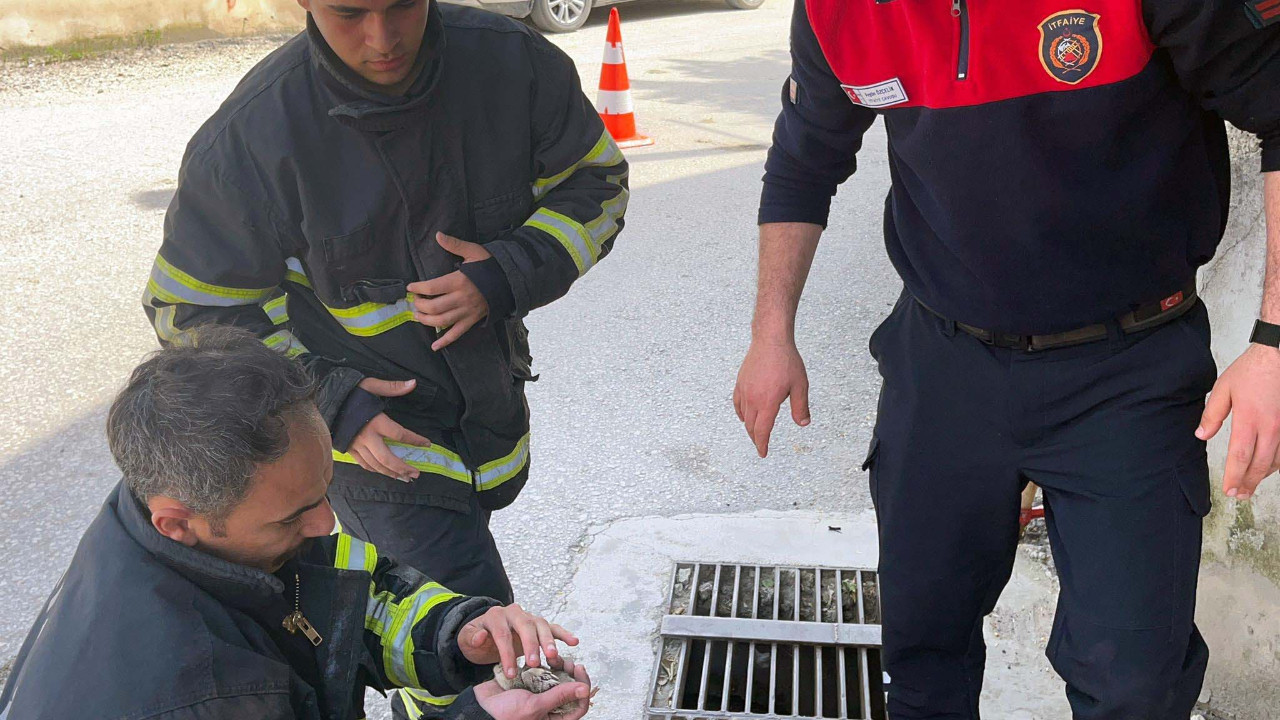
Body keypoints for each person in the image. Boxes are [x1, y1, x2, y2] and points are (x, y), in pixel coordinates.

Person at [734, 1, 1279, 717]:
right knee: (922, 652)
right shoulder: (840, 9)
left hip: (1128, 368)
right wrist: (771, 333)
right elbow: (805, 157)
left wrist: (1273, 341)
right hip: (942, 361)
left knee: (1135, 683)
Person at [142, 1, 626, 713]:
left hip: (486, 413)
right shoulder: (253, 134)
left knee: (438, 625)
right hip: (373, 451)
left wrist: (505, 273)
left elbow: (598, 183)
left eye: (402, 4)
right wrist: (330, 401)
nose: (382, 38)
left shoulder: (510, 62)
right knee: (475, 634)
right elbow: (191, 309)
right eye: (349, 12)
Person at [0, 328, 592, 720]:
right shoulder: (201, 695)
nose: (325, 522)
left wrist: (456, 634)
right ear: (178, 521)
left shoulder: (171, 515)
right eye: (294, 515)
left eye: (322, 493)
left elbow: (347, 597)